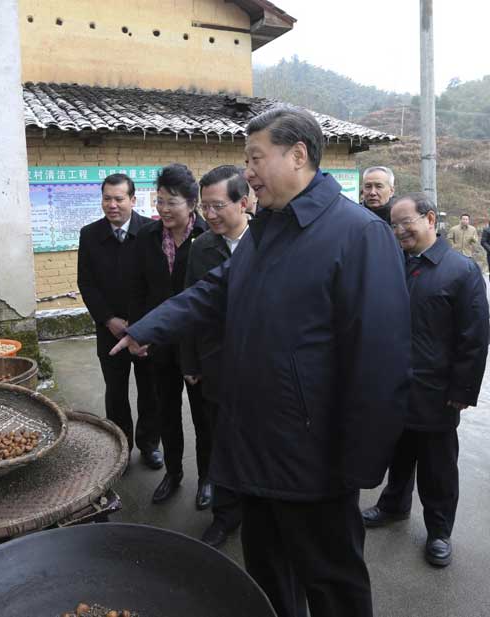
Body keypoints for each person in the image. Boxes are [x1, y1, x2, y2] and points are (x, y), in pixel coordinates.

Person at [113, 106, 410, 617]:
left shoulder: (358, 234)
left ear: (298, 156)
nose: (247, 171)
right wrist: (148, 327)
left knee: (332, 584)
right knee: (269, 578)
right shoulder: (268, 227)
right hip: (254, 443)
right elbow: (214, 291)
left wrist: (359, 464)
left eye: (255, 158)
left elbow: (380, 362)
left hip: (315, 459)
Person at [362, 193, 488, 568]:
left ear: (430, 219)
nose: (399, 231)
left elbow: (475, 336)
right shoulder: (392, 264)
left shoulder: (460, 270)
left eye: (406, 223)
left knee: (437, 467)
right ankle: (394, 506)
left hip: (437, 390)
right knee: (398, 454)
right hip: (394, 386)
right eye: (394, 224)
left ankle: (438, 531)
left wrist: (463, 389)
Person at [129, 163, 208, 505]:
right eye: (159, 200)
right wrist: (141, 332)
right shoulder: (146, 237)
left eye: (171, 201)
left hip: (196, 346)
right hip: (159, 344)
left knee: (204, 416)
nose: (163, 208)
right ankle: (173, 473)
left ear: (191, 203)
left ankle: (209, 478)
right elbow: (138, 289)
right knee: (166, 412)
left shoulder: (207, 238)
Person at [77, 173, 162, 470]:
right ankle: (120, 446)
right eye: (107, 199)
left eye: (119, 199)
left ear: (133, 200)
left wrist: (141, 325)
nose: (112, 205)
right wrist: (108, 319)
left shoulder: (152, 231)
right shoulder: (90, 234)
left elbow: (157, 284)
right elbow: (86, 283)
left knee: (149, 390)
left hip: (144, 330)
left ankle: (150, 444)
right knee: (115, 391)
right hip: (109, 330)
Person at [181, 165, 246, 546]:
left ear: (244, 201)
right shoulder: (202, 247)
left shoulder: (268, 242)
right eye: (205, 207)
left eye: (218, 206)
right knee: (220, 442)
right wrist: (190, 362)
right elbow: (190, 306)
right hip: (216, 364)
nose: (210, 215)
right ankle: (225, 515)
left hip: (260, 369)